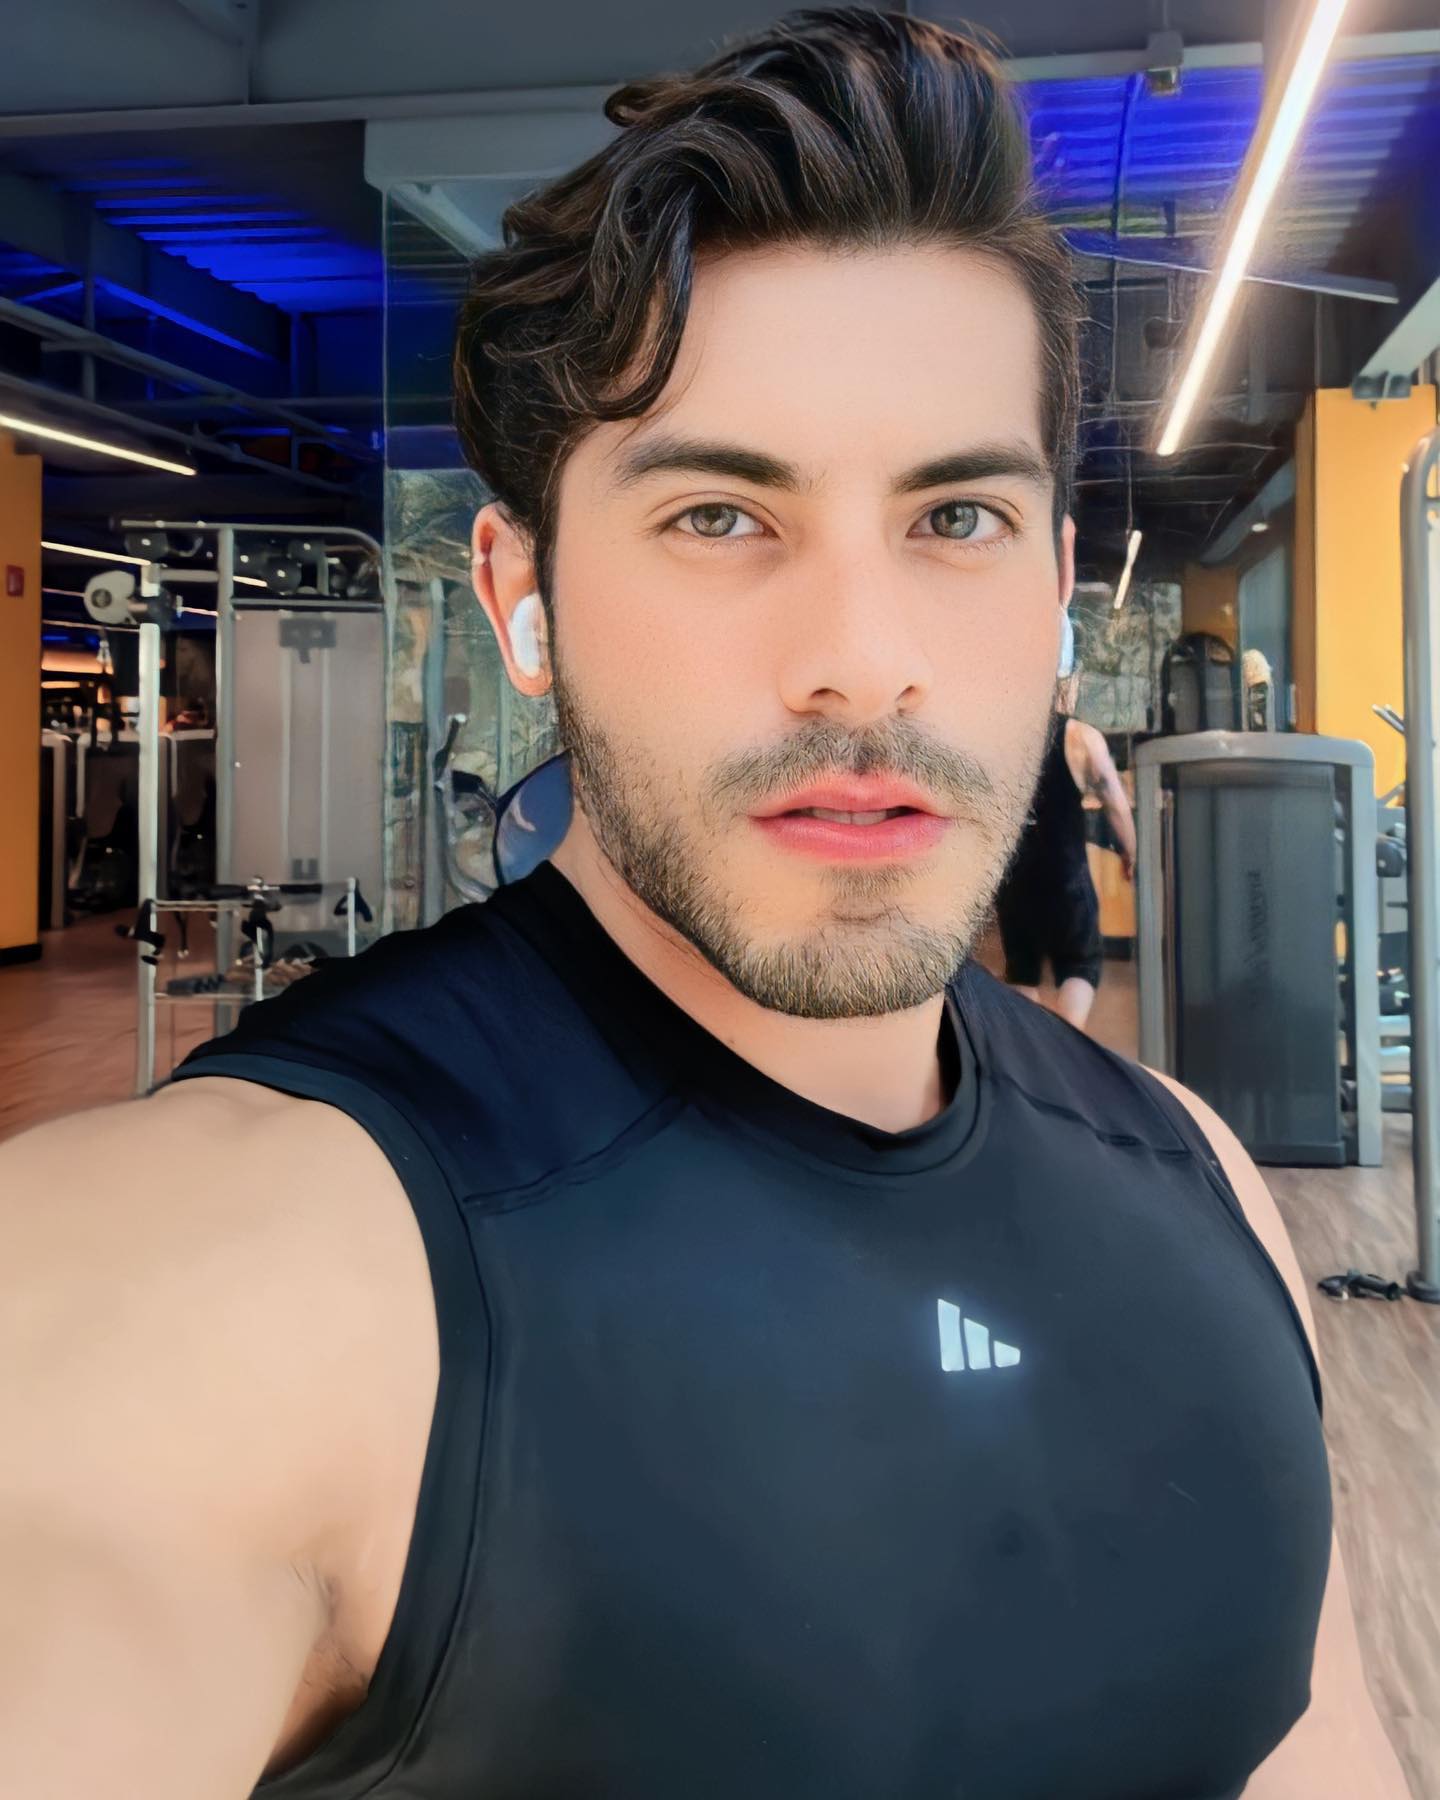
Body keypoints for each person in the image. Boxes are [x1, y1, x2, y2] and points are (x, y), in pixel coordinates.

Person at [0, 13, 1410, 1800]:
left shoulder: (1207, 1189)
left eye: (956, 520)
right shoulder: (219, 1278)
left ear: (1058, 582)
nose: (863, 662)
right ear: (521, 597)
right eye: (722, 519)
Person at [993, 616, 1137, 1032]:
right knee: (1080, 965)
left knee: (1022, 969)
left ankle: (1028, 1052)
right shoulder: (1080, 738)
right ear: (1068, 678)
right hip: (1065, 878)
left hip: (1015, 878)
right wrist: (1131, 851)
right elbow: (1114, 801)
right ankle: (1063, 1047)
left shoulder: (1003, 735)